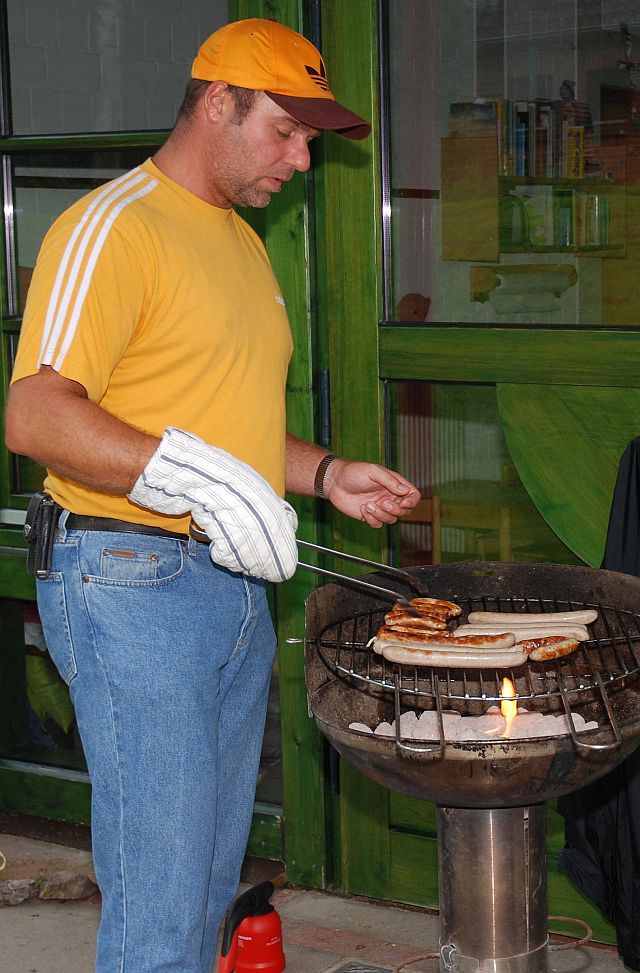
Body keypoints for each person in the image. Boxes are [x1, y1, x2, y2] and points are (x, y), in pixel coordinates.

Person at [5, 17, 420, 973]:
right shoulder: (111, 226)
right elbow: (34, 414)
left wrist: (322, 473)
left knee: (202, 881)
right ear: (217, 102)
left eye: (310, 139)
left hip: (230, 583)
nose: (303, 160)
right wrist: (198, 477)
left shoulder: (239, 242)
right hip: (128, 580)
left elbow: (220, 426)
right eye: (286, 130)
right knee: (159, 904)